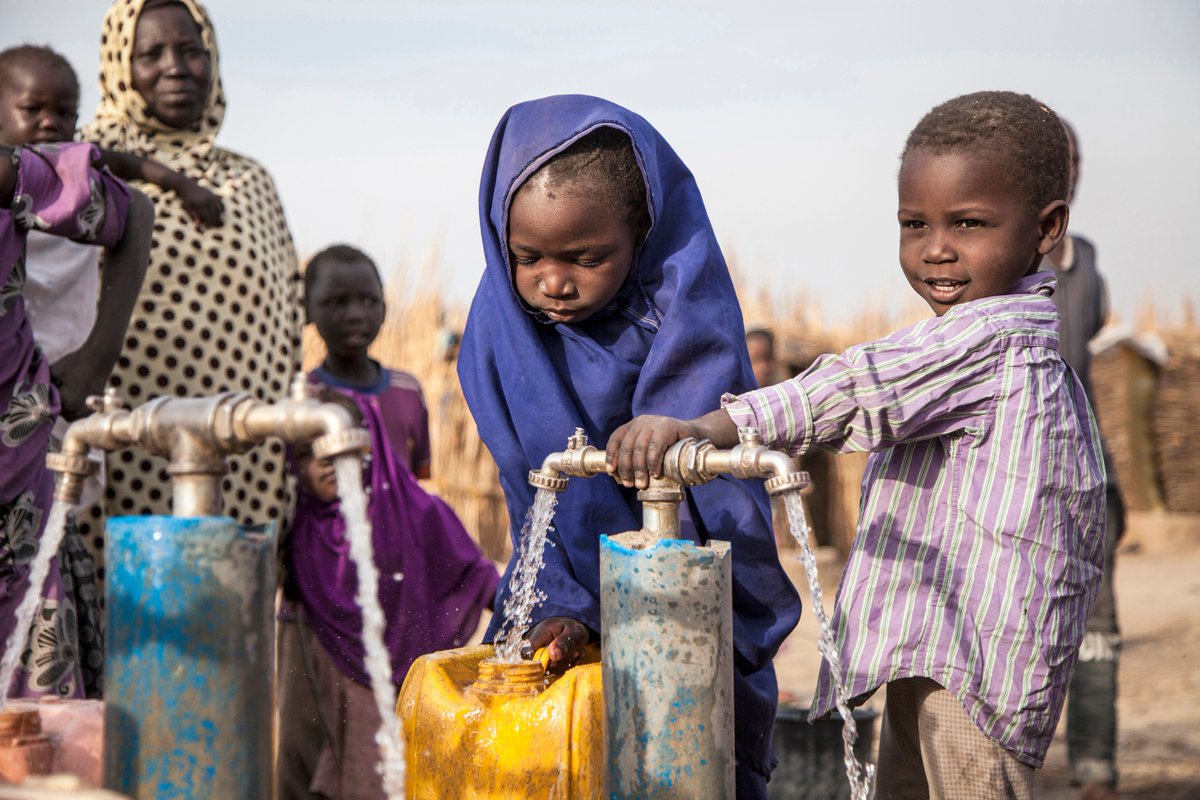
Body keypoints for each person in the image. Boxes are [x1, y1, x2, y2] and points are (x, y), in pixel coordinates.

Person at [607, 91, 1106, 799]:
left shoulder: (993, 340)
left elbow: (852, 388)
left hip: (973, 667)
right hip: (938, 645)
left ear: (1046, 228)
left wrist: (703, 430)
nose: (937, 248)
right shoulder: (1021, 350)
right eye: (915, 223)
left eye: (969, 223)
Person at [457, 95, 802, 797]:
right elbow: (529, 494)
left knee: (694, 751)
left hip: (684, 590)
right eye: (527, 257)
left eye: (587, 257)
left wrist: (669, 432)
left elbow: (709, 448)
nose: (553, 281)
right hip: (566, 581)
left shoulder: (683, 305)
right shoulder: (499, 334)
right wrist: (565, 602)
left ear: (641, 231)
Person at [76, 0, 301, 570]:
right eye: (150, 54)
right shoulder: (87, 171)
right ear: (119, 66)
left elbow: (284, 331)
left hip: (246, 457)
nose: (175, 67)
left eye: (191, 50)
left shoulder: (250, 181)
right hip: (125, 446)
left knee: (226, 626)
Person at [277, 245, 499, 800]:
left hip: (400, 590)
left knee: (389, 737)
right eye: (336, 301)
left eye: (367, 301)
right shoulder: (299, 398)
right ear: (307, 309)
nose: (355, 314)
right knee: (309, 741)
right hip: (319, 591)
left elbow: (414, 492)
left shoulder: (406, 392)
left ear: (383, 306)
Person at [0, 43, 225, 511]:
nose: (49, 122)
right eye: (32, 109)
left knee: (57, 490)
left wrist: (180, 185)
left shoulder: (57, 177)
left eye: (64, 112)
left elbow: (125, 177)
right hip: (21, 352)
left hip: (60, 356)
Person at [0, 140, 153, 700]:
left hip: (12, 504)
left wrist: (97, 358)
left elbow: (132, 209)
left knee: (35, 737)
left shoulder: (7, 174)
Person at [1043, 120, 1124, 800]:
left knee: (1097, 632)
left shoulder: (1088, 258)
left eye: (1074, 158)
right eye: (1055, 157)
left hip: (1092, 473)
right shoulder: (1008, 260)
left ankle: (1095, 772)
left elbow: (1092, 343)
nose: (1068, 168)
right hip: (1025, 474)